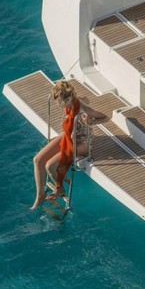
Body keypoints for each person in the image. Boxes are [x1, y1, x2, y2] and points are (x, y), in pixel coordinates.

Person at [29, 80, 104, 211]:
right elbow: (84, 98)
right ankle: (40, 195)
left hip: (82, 143)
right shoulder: (72, 101)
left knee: (49, 166)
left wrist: (90, 122)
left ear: (68, 99)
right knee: (37, 160)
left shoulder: (82, 111)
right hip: (68, 136)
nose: (58, 104)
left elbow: (104, 117)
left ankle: (60, 189)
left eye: (59, 102)